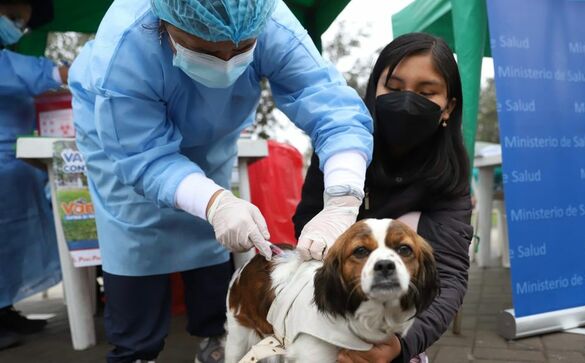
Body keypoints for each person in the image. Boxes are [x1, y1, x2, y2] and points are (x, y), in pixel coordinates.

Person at [68, 0, 373, 362]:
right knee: (136, 242)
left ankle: (215, 338)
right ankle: (136, 349)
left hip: (211, 142)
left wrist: (342, 197)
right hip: (125, 140)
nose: (227, 62)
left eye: (243, 49)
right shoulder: (125, 49)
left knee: (210, 235)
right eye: (207, 49)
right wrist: (215, 202)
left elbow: (331, 108)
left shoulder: (269, 19)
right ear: (164, 24)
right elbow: (144, 157)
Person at [293, 33, 473, 363]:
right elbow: (307, 231)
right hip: (335, 301)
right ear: (374, 89)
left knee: (409, 226)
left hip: (399, 320)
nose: (407, 101)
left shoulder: (450, 175)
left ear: (448, 107)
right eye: (393, 86)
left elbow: (448, 277)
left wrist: (404, 346)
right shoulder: (339, 150)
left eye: (426, 92)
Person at [0, 0, 67, 351]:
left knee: (12, 246)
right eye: (11, 18)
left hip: (18, 169)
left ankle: (6, 309)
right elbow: (54, 75)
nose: (17, 27)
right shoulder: (12, 65)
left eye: (21, 23)